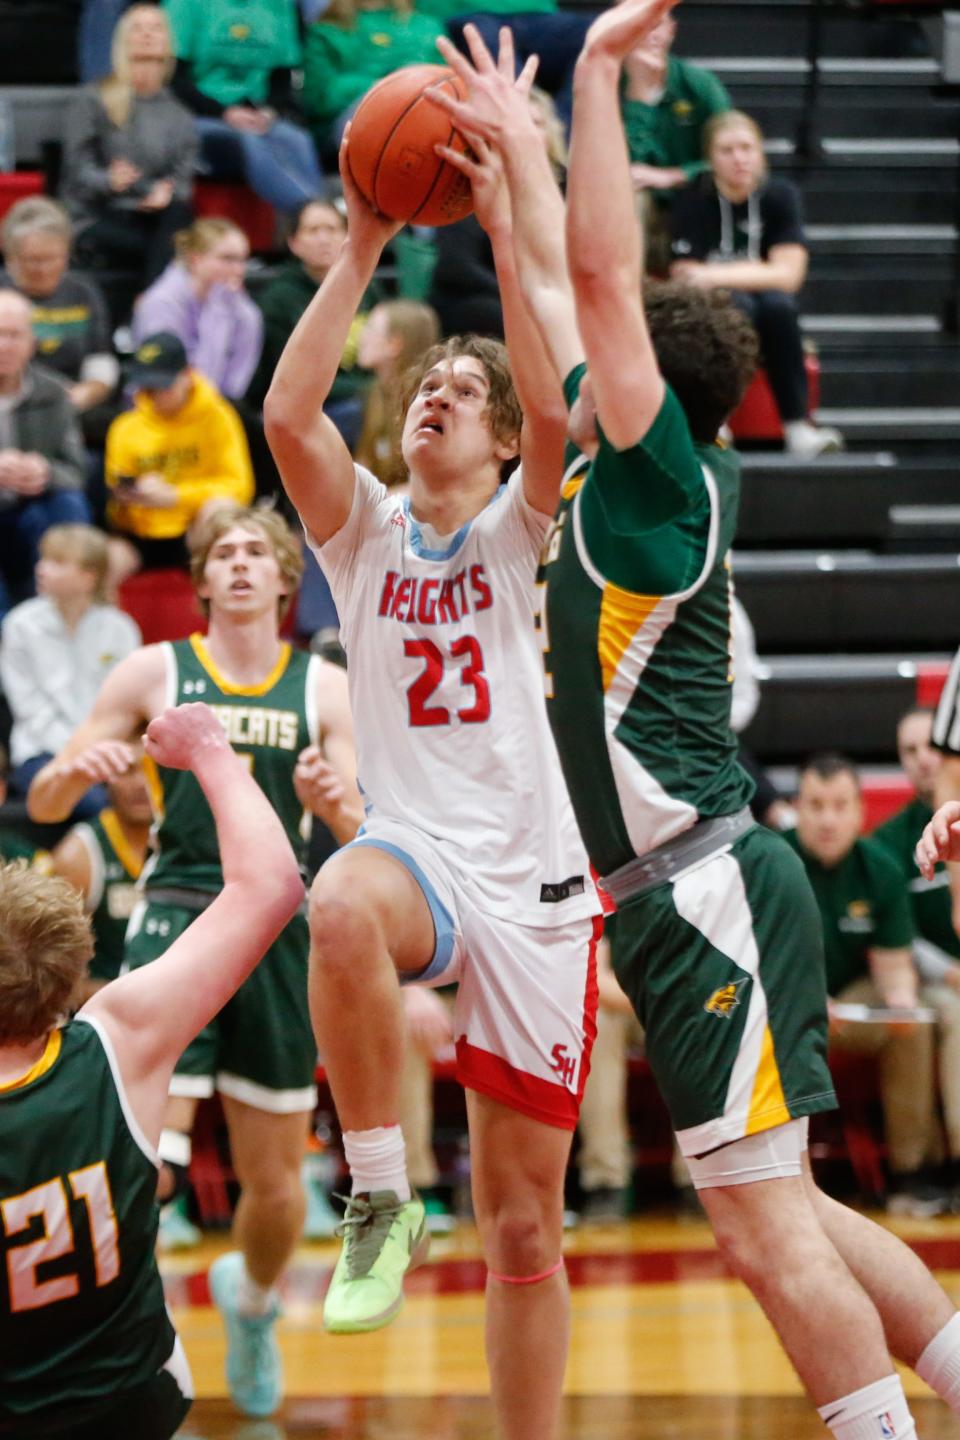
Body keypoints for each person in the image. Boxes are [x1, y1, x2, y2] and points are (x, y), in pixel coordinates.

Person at [436, 6, 960, 1437]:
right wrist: (504, 178)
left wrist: (594, 80)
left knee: (758, 1233)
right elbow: (557, 284)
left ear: (650, 393)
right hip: (687, 892)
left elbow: (598, 274)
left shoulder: (658, 486)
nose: (579, 362)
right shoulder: (622, 479)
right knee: (782, 1205)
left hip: (704, 889)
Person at [263, 43, 601, 1440]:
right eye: (426, 391)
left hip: (537, 885)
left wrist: (515, 231)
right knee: (337, 897)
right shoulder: (366, 535)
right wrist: (365, 247)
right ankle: (380, 1195)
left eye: (464, 394)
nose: (440, 399)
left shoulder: (526, 522)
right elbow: (288, 415)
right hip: (417, 858)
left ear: (494, 434)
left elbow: (553, 398)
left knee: (524, 1227)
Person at [27, 502, 363, 1418]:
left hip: (276, 927)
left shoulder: (324, 687)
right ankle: (133, 1339)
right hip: (178, 911)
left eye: (260, 552)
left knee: (277, 1187)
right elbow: (50, 803)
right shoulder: (156, 669)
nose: (244, 564)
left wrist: (336, 809)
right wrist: (79, 769)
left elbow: (369, 833)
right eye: (226, 554)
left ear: (287, 579)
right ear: (202, 581)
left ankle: (251, 1302)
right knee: (150, 1157)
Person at [0, 701, 304, 1439]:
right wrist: (211, 751)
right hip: (131, 1404)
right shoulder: (118, 1041)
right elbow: (271, 885)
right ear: (75, 969)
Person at [784, 754, 948, 1216]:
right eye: (816, 805)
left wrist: (898, 1000)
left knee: (908, 1023)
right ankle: (763, 1179)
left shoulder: (880, 866)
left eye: (840, 805)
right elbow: (754, 959)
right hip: (781, 1003)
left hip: (849, 1002)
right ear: (798, 809)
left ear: (860, 811)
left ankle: (911, 1175)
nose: (828, 818)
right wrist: (806, 1000)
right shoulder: (771, 862)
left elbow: (895, 963)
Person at [669, 110, 844, 459]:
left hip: (765, 307)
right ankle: (717, 422)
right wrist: (756, 270)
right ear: (710, 157)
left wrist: (716, 273)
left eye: (747, 148)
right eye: (727, 150)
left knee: (780, 307)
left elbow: (789, 276)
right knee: (740, 305)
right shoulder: (692, 196)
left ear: (760, 153)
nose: (739, 159)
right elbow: (685, 275)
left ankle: (797, 429)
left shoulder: (779, 195)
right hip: (715, 308)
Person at [0, 524, 141, 812]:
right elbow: (29, 707)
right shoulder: (20, 625)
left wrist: (100, 748)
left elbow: (129, 703)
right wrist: (78, 753)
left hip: (109, 749)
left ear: (89, 577)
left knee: (144, 794)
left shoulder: (120, 628)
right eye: (43, 559)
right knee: (91, 802)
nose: (41, 569)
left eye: (57, 562)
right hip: (41, 752)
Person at [63, 4, 197, 292]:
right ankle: (151, 307)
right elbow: (76, 172)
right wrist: (108, 180)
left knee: (179, 213)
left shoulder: (179, 113)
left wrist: (167, 192)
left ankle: (146, 308)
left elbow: (184, 180)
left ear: (169, 41)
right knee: (167, 246)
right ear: (122, 39)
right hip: (98, 214)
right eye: (138, 28)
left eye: (156, 28)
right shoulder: (94, 99)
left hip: (150, 216)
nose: (147, 35)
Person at [104, 331, 254, 571]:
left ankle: (222, 602)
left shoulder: (218, 416)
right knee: (99, 559)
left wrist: (176, 496)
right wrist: (132, 494)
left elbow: (239, 487)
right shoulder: (125, 427)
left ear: (186, 375)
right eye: (148, 387)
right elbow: (115, 501)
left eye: (163, 386)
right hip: (140, 532)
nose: (155, 396)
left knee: (221, 510)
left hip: (192, 527)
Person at [163, 0, 327, 215]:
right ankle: (312, 217)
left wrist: (270, 110)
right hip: (201, 116)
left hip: (257, 114)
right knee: (250, 142)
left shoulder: (280, 5)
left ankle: (320, 219)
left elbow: (283, 76)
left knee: (296, 139)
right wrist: (224, 113)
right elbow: (174, 79)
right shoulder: (185, 4)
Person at [246, 199, 380, 444]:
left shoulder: (367, 288)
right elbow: (286, 379)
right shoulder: (278, 300)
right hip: (310, 407)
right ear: (293, 243)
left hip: (362, 396)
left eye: (331, 229)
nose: (323, 238)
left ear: (346, 236)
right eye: (313, 230)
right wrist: (368, 390)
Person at [0, 291, 89, 618]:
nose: (5, 345)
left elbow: (76, 471)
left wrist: (45, 472)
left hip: (31, 510)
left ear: (31, 341)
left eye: (14, 335)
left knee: (67, 502)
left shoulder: (54, 393)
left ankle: (69, 612)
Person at [0, 198, 119, 432]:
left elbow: (100, 358)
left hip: (73, 405)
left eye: (53, 258)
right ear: (10, 257)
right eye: (33, 260)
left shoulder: (83, 292)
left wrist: (84, 394)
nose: (44, 268)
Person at [49, 749, 152, 1004]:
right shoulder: (77, 856)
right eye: (127, 771)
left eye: (151, 771)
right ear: (105, 778)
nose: (140, 783)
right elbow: (52, 980)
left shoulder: (189, 844)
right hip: (104, 1019)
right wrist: (135, 998)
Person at [132, 218, 264, 401]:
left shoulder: (241, 308)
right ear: (196, 259)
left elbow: (236, 384)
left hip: (213, 409)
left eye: (243, 260)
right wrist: (218, 311)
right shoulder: (161, 303)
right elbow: (174, 378)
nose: (238, 270)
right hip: (160, 407)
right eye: (227, 259)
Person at [302, 0, 446, 158]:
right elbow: (319, 96)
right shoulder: (327, 30)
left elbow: (448, 81)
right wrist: (383, 86)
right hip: (359, 114)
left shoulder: (427, 26)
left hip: (426, 108)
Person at [355, 299, 440, 489]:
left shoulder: (425, 403)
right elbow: (363, 471)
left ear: (394, 344)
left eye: (369, 328)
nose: (361, 335)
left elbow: (430, 487)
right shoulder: (376, 393)